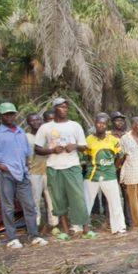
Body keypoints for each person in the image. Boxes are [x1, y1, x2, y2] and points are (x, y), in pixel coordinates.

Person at [0, 102, 47, 249]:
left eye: (12, 114)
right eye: (6, 114)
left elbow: (26, 153)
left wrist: (25, 166)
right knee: (8, 206)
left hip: (22, 173)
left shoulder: (20, 132)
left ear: (15, 114)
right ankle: (12, 237)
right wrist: (0, 166)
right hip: (4, 174)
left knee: (29, 205)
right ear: (1, 116)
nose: (9, 117)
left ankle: (34, 235)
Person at [35, 98, 89, 235]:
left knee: (78, 198)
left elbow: (84, 147)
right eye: (61, 107)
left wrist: (75, 146)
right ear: (54, 109)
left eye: (66, 107)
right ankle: (65, 230)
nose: (64, 109)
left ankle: (85, 229)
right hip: (53, 167)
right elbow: (37, 148)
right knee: (58, 200)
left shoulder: (75, 126)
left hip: (72, 166)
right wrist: (52, 150)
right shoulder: (46, 127)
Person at [84, 113, 127, 234]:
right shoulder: (88, 139)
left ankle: (119, 227)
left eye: (103, 123)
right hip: (92, 176)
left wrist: (114, 167)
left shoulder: (113, 140)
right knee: (87, 202)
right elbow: (85, 156)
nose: (101, 125)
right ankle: (84, 228)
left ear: (106, 125)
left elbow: (120, 156)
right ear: (95, 124)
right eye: (98, 123)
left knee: (115, 202)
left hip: (109, 175)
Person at [26, 113, 58, 233]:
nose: (36, 122)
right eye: (32, 120)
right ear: (28, 123)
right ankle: (36, 225)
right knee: (35, 200)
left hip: (49, 170)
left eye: (38, 119)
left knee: (51, 199)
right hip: (34, 171)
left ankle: (53, 224)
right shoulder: (26, 137)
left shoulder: (47, 135)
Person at [110, 111, 132, 226]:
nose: (120, 122)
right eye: (117, 120)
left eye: (121, 120)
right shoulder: (108, 135)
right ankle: (111, 221)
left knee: (127, 194)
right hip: (112, 168)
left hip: (126, 168)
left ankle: (129, 220)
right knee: (111, 195)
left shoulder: (128, 135)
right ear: (112, 122)